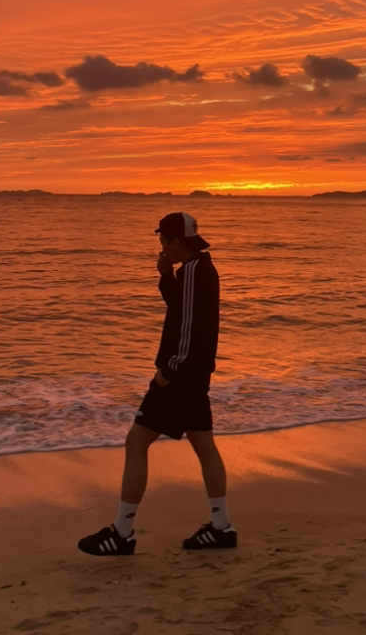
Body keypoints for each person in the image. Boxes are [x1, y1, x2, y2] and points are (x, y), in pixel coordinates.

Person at [78, 211, 236, 555]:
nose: (162, 246)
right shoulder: (198, 270)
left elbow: (189, 329)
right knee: (204, 446)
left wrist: (169, 371)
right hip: (195, 377)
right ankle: (221, 527)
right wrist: (167, 277)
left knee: (136, 442)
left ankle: (122, 533)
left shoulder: (194, 271)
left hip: (181, 378)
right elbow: (182, 310)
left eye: (164, 240)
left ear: (176, 242)